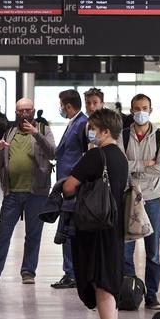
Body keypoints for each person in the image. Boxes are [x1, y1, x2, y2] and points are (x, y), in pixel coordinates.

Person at [63, 109, 128, 319]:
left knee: (101, 281)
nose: (89, 132)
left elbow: (69, 186)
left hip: (95, 225)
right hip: (114, 225)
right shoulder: (120, 156)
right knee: (108, 278)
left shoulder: (94, 156)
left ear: (105, 131)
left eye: (92, 128)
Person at [0, 98, 56, 285]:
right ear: (16, 112)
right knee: (3, 232)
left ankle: (28, 272)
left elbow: (53, 153)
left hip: (37, 192)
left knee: (33, 234)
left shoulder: (44, 130)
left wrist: (36, 135)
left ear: (33, 111)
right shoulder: (10, 132)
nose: (24, 114)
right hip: (12, 192)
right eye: (20, 111)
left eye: (27, 110)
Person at [119, 94, 160, 310]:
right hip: (129, 197)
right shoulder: (122, 135)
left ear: (151, 109)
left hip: (153, 198)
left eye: (145, 108)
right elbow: (120, 165)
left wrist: (134, 166)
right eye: (137, 108)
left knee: (154, 251)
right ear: (131, 111)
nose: (141, 112)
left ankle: (152, 295)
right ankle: (130, 292)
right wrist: (143, 163)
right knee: (126, 250)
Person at [52, 89, 89, 289]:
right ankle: (70, 271)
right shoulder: (73, 123)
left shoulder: (82, 124)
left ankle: (72, 273)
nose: (61, 109)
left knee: (69, 229)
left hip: (73, 185)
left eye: (61, 105)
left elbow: (85, 155)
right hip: (66, 184)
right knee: (67, 229)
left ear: (67, 105)